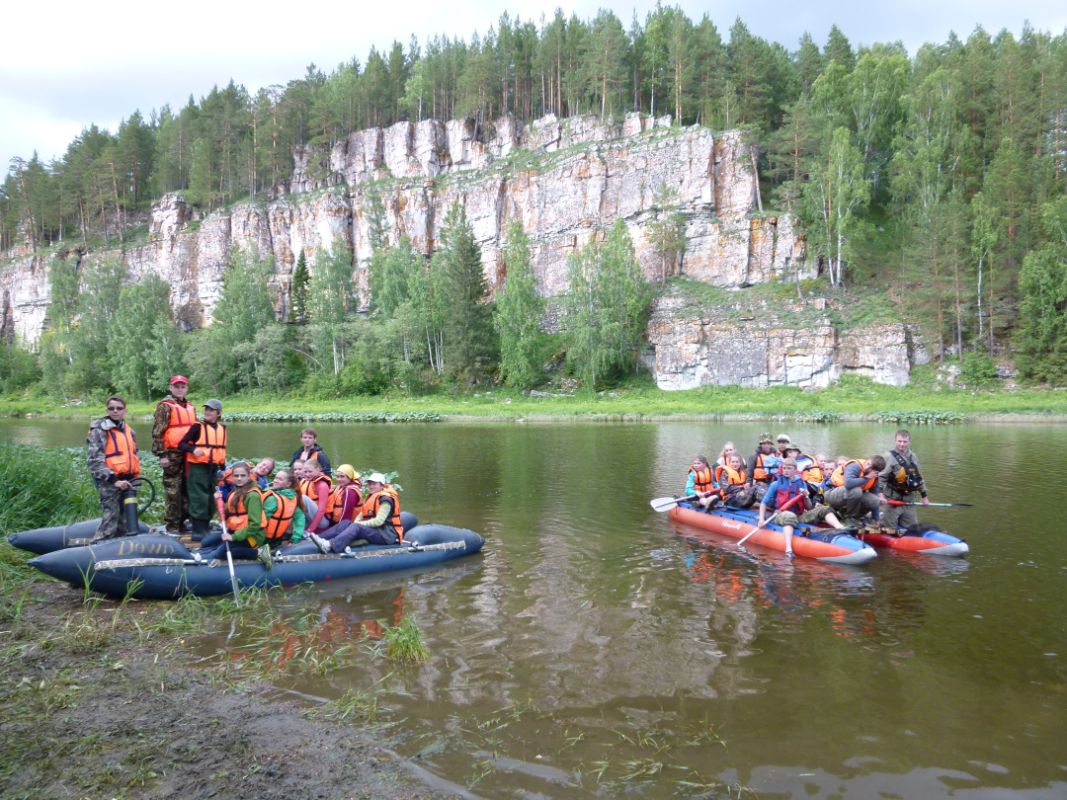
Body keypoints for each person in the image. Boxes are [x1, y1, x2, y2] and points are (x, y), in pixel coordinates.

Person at [197, 467, 305, 569]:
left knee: (220, 552)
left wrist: (234, 537)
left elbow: (256, 524)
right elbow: (227, 514)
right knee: (207, 542)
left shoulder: (255, 496)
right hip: (241, 530)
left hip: (254, 535)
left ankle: (260, 553)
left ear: (249, 476)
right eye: (236, 476)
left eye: (242, 475)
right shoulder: (236, 492)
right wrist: (218, 501)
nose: (239, 478)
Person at [758, 457, 846, 557]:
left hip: (799, 516)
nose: (786, 470)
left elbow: (809, 507)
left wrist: (806, 497)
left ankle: (840, 527)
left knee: (824, 509)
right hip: (780, 515)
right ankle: (788, 549)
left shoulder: (801, 483)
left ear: (795, 470)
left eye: (789, 468)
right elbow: (764, 503)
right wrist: (761, 519)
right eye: (784, 468)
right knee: (789, 516)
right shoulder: (776, 484)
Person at [86, 395, 141, 542]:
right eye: (111, 408)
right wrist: (114, 480)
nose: (115, 411)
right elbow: (94, 461)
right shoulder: (99, 430)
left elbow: (134, 456)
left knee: (125, 522)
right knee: (110, 521)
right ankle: (97, 548)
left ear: (125, 411)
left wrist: (135, 479)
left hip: (129, 481)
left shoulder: (130, 431)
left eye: (119, 408)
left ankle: (121, 552)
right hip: (110, 482)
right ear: (107, 410)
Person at [310, 473, 402, 553]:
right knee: (346, 523)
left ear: (382, 486)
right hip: (375, 530)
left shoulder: (386, 500)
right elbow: (361, 514)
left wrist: (359, 524)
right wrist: (355, 523)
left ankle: (329, 545)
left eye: (374, 484)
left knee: (356, 526)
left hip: (385, 535)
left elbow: (379, 521)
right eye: (369, 483)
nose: (371, 486)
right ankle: (316, 539)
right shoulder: (372, 496)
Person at [177, 399, 227, 541]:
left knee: (211, 498)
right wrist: (194, 449)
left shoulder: (223, 428)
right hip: (198, 468)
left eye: (211, 410)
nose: (207, 412)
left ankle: (205, 527)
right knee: (199, 498)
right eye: (206, 410)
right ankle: (198, 531)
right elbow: (182, 444)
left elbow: (221, 450)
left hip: (214, 468)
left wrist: (223, 468)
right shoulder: (197, 427)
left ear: (218, 413)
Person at [152, 375, 196, 535]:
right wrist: (162, 454)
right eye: (176, 386)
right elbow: (157, 432)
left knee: (187, 488)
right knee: (173, 489)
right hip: (172, 454)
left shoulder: (190, 406)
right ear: (171, 388)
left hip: (188, 454)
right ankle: (172, 525)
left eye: (182, 386)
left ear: (186, 388)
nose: (179, 389)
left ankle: (183, 522)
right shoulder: (165, 406)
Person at [878, 429, 930, 530]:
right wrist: (880, 494)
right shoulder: (888, 457)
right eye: (899, 441)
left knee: (914, 529)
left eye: (905, 441)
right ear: (895, 441)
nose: (902, 444)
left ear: (909, 442)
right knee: (888, 530)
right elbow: (881, 477)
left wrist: (924, 496)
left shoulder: (913, 457)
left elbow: (919, 477)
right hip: (892, 501)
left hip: (908, 500)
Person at [309, 465, 365, 551]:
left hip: (347, 525)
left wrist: (333, 531)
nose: (339, 479)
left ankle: (317, 541)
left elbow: (345, 518)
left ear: (349, 477)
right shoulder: (341, 487)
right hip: (337, 522)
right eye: (338, 476)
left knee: (326, 533)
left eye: (342, 477)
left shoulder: (350, 492)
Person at [825, 456, 886, 527]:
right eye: (868, 464)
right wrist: (866, 478)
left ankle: (856, 518)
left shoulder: (875, 477)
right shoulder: (854, 466)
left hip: (849, 496)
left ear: (876, 472)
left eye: (871, 468)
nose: (867, 467)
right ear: (867, 460)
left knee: (875, 500)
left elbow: (875, 498)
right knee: (856, 490)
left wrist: (876, 519)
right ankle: (850, 519)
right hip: (832, 494)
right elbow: (848, 484)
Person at [302, 458, 335, 533]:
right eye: (305, 472)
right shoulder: (306, 481)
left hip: (323, 522)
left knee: (303, 498)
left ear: (318, 470)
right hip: (310, 517)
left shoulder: (322, 485)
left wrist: (310, 529)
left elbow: (321, 510)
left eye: (310, 471)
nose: (307, 474)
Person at [749, 434, 781, 502]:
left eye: (768, 443)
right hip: (760, 482)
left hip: (774, 480)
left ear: (771, 444)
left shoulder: (776, 454)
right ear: (760, 444)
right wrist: (749, 486)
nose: (766, 446)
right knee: (764, 494)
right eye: (764, 444)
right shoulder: (754, 455)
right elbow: (750, 474)